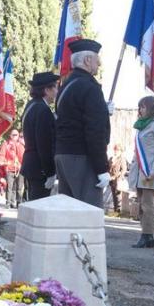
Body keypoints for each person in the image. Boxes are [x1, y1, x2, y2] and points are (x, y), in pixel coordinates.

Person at [54, 39, 112, 208]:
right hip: (82, 157)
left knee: (69, 213)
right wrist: (101, 168)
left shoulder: (66, 85)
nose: (99, 64)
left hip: (64, 154)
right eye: (96, 59)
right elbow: (95, 130)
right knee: (88, 216)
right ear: (87, 60)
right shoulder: (90, 87)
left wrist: (103, 111)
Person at [127, 96, 154, 248]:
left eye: (143, 107)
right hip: (140, 171)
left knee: (147, 204)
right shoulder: (142, 126)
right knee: (141, 204)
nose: (140, 110)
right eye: (139, 107)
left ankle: (148, 235)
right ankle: (145, 234)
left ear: (151, 107)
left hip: (149, 171)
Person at [20, 71, 60, 200]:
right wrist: (50, 172)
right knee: (38, 208)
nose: (57, 91)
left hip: (32, 164)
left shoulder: (31, 105)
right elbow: (44, 144)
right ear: (47, 90)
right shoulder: (43, 110)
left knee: (33, 205)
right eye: (55, 87)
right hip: (40, 168)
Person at [0, 129, 25, 208]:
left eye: (16, 135)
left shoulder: (21, 145)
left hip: (19, 168)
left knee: (19, 187)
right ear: (10, 135)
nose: (15, 136)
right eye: (13, 135)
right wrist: (1, 161)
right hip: (10, 168)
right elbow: (2, 154)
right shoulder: (6, 144)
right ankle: (9, 203)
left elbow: (23, 156)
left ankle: (18, 202)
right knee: (10, 187)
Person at [108, 143, 128, 213]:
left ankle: (119, 211)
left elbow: (124, 170)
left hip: (118, 180)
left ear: (120, 151)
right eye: (115, 149)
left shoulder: (122, 159)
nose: (116, 151)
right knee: (113, 195)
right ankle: (115, 210)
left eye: (117, 150)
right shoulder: (111, 158)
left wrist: (119, 176)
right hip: (111, 180)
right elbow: (108, 168)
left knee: (118, 196)